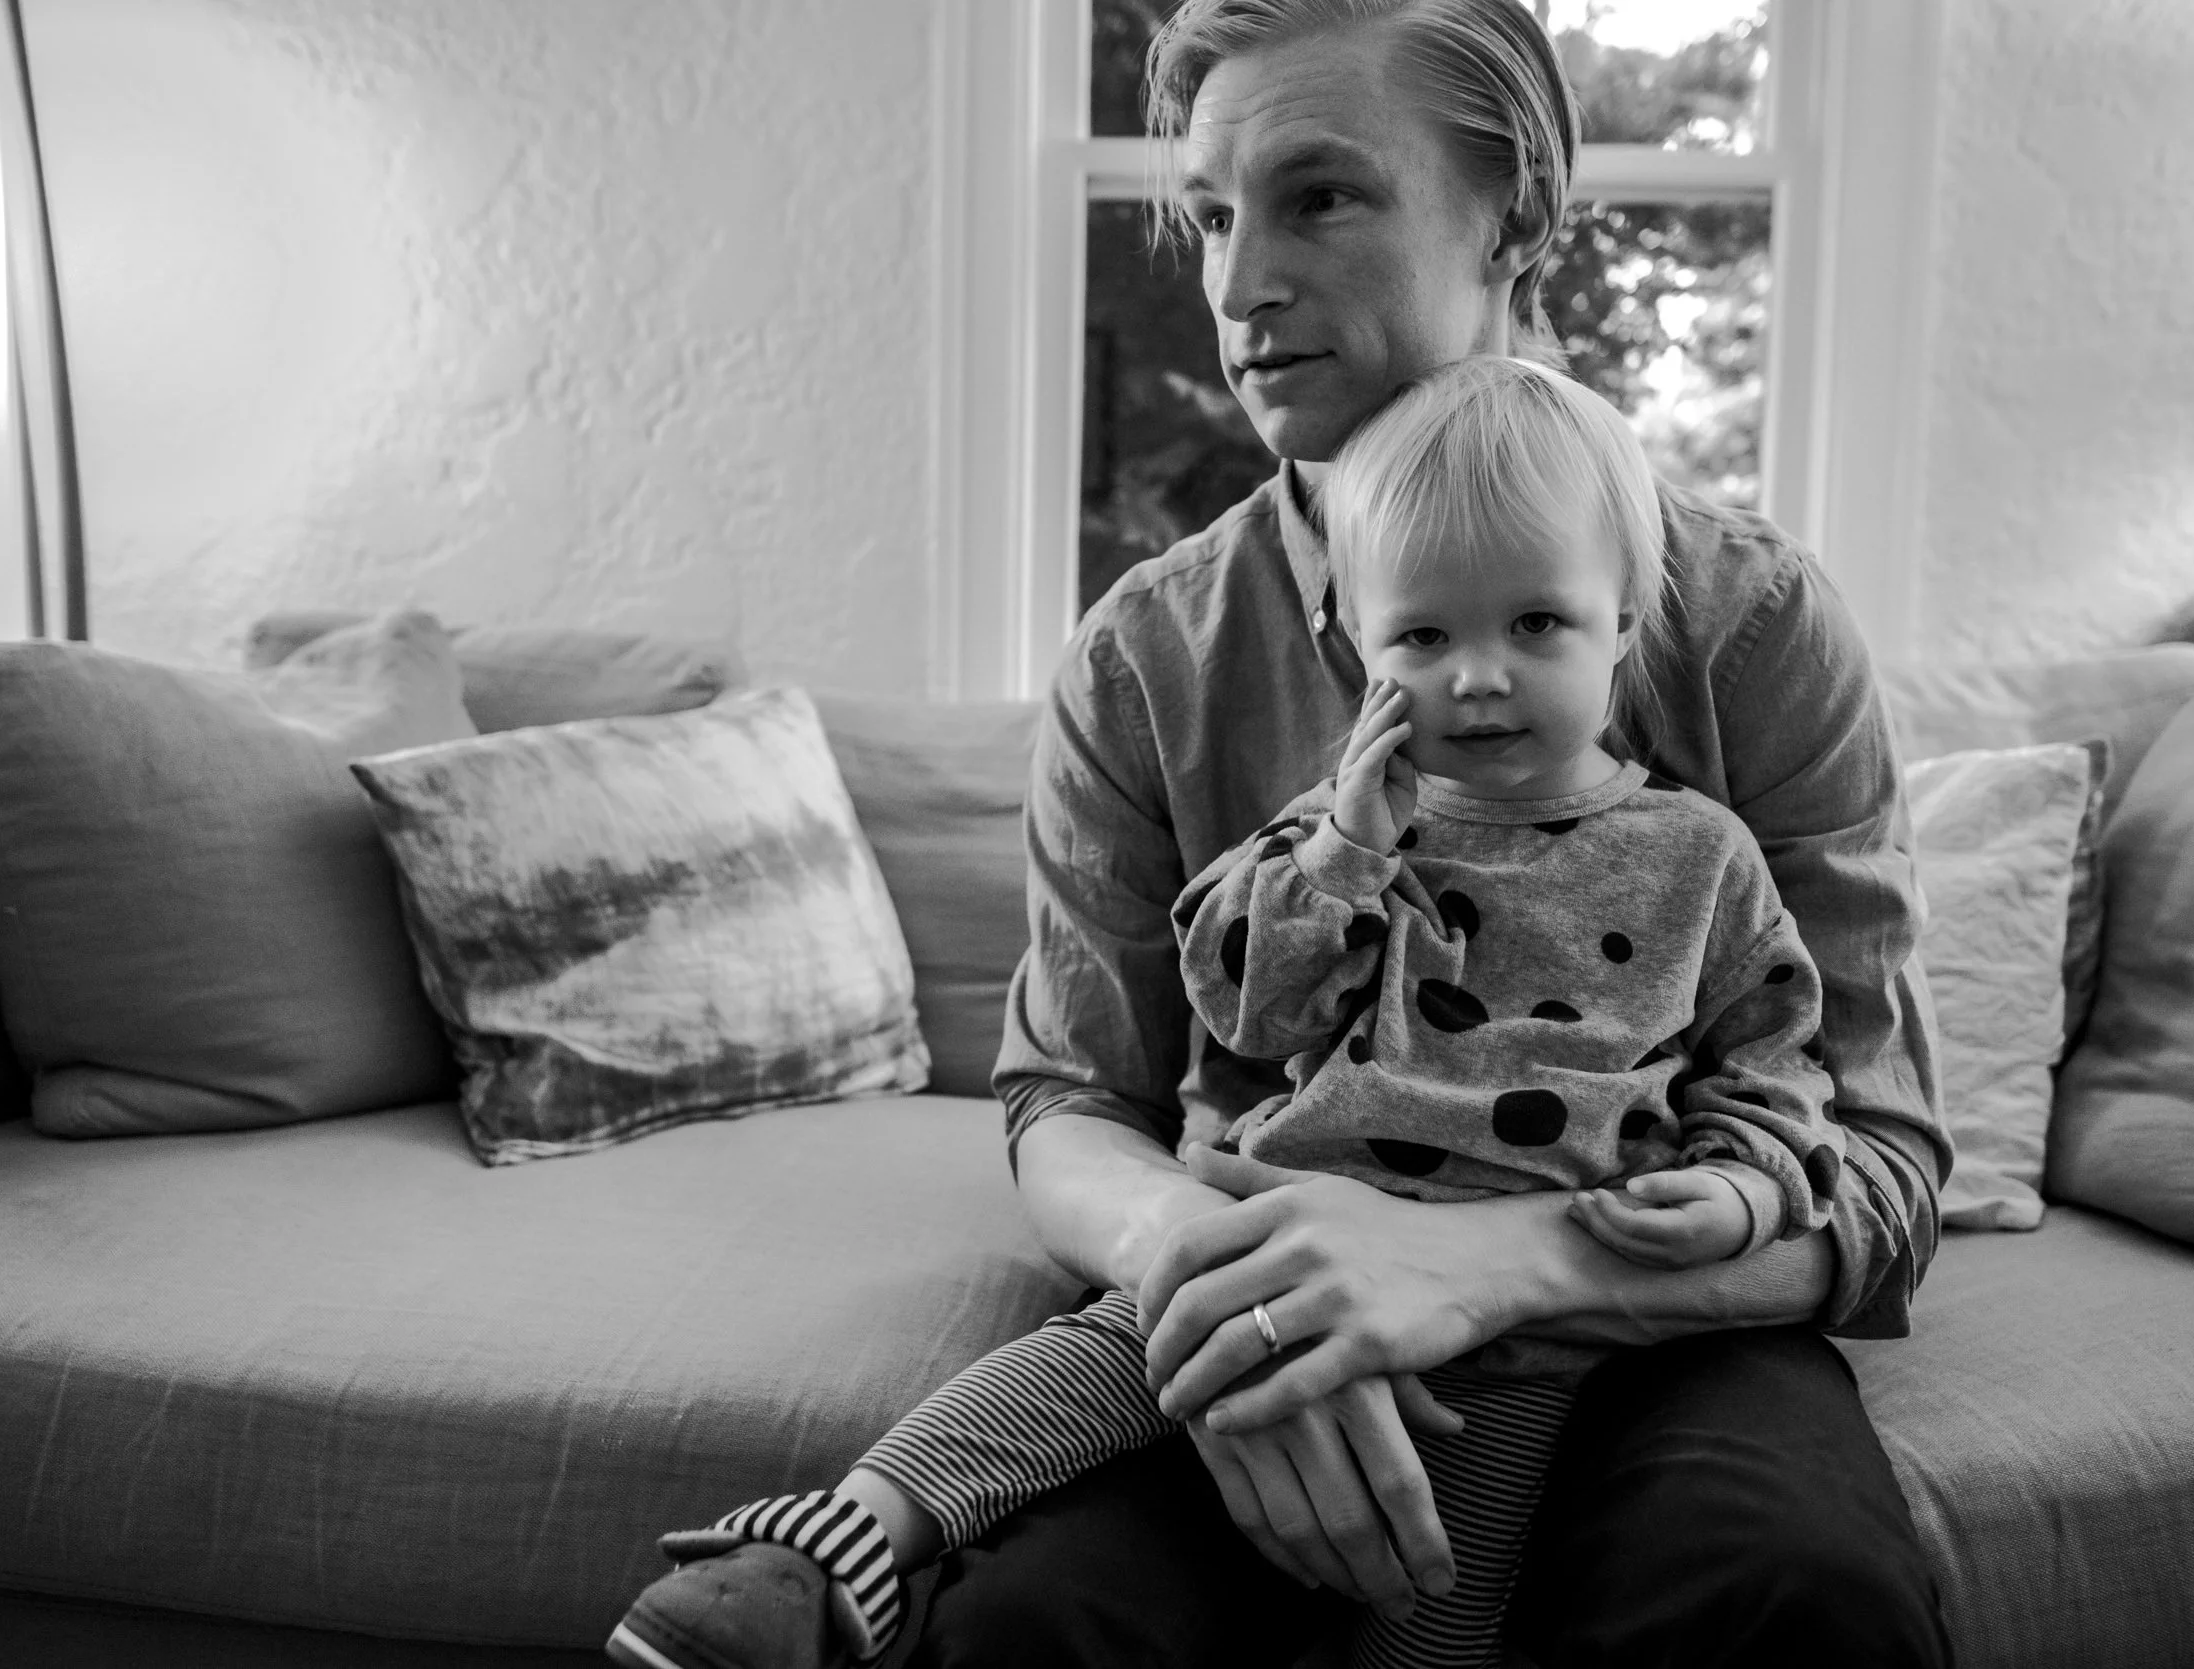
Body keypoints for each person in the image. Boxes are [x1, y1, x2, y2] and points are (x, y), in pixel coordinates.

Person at [627, 1, 1951, 1663]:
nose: (1238, 282)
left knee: (1783, 1594)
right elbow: (1071, 1101)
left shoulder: (1751, 626)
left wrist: (1496, 1267)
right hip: (1260, 1239)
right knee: (1036, 1631)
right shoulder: (1147, 655)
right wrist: (1246, 1284)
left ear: (1517, 215)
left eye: (1320, 197)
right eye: (1207, 215)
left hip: (1651, 1315)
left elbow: (1879, 1167)